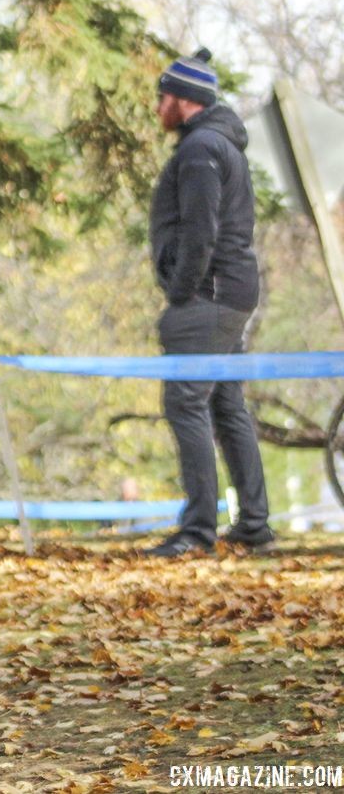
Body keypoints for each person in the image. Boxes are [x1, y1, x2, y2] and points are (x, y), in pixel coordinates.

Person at [143, 48, 275, 558]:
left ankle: (198, 529)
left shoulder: (200, 151)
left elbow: (202, 229)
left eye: (162, 97)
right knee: (225, 404)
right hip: (229, 292)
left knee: (185, 402)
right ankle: (255, 524)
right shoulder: (221, 145)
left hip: (208, 296)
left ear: (183, 100)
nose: (157, 107)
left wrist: (181, 291)